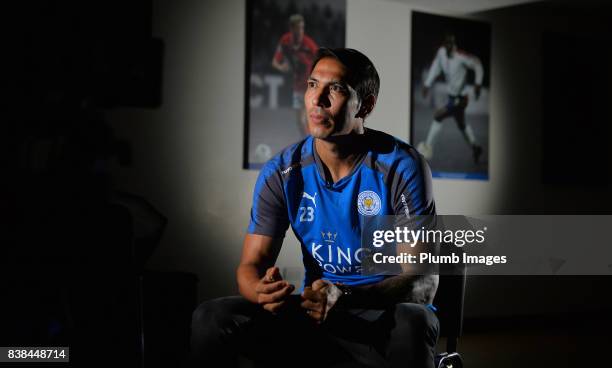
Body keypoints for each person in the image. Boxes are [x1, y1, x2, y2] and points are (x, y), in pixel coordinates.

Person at [191, 48, 439, 367]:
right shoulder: (282, 172)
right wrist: (260, 291)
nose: (317, 99)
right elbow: (249, 266)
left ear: (366, 105)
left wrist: (346, 295)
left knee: (413, 319)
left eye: (335, 89)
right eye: (312, 84)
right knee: (211, 316)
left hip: (382, 315)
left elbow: (422, 281)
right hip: (317, 315)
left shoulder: (402, 166)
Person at [418, 33, 484, 164]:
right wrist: (427, 83)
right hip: (452, 98)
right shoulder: (441, 53)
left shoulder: (461, 57)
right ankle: (475, 147)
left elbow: (478, 65)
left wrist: (478, 83)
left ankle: (427, 149)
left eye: (452, 43)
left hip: (461, 99)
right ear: (444, 44)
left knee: (438, 115)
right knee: (461, 124)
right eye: (447, 43)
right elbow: (436, 67)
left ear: (454, 44)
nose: (450, 46)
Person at [271, 14, 318, 136]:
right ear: (291, 29)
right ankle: (309, 144)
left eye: (302, 28)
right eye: (298, 28)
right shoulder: (285, 41)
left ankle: (311, 146)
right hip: (297, 85)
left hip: (310, 85)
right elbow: (275, 62)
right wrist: (282, 67)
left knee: (306, 119)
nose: (301, 31)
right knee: (299, 121)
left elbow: (321, 60)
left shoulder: (309, 44)